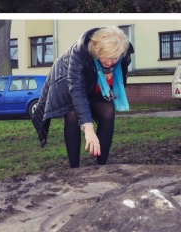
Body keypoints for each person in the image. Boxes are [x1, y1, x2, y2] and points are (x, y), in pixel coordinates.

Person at [31, 27, 133, 168]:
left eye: (115, 58)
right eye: (106, 58)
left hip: (95, 89)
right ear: (96, 51)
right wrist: (88, 129)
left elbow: (119, 75)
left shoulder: (123, 52)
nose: (110, 63)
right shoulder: (79, 54)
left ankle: (101, 166)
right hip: (68, 87)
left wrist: (108, 73)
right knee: (72, 114)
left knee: (108, 111)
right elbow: (77, 91)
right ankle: (74, 168)